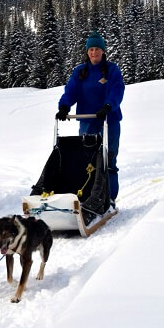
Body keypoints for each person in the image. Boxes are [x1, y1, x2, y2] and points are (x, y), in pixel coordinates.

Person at [56, 31, 125, 204]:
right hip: (88, 121)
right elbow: (71, 91)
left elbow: (117, 90)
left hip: (109, 120)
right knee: (87, 160)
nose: (94, 52)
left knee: (109, 159)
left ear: (103, 51)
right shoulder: (80, 72)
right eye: (91, 49)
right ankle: (88, 196)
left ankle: (109, 198)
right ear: (87, 52)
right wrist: (64, 106)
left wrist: (108, 106)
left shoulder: (112, 70)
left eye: (97, 49)